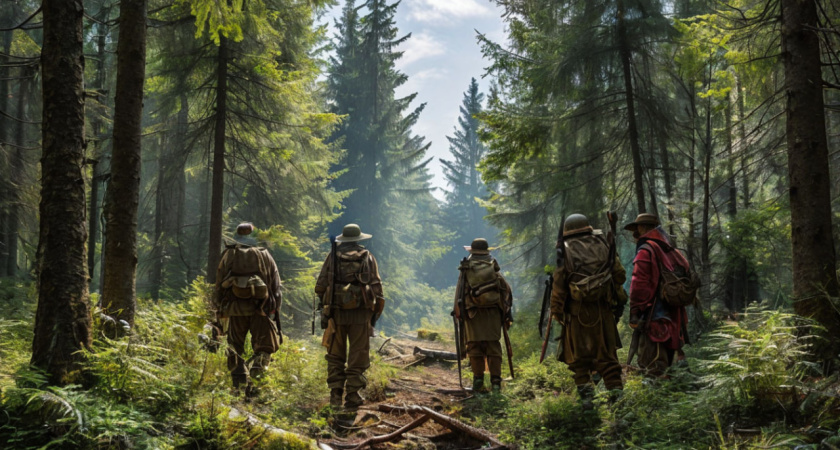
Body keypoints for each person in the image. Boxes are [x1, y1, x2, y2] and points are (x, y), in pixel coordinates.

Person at [550, 214, 627, 409]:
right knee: (609, 360)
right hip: (603, 313)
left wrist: (558, 314)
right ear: (587, 228)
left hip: (576, 316)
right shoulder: (604, 245)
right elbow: (619, 275)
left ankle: (587, 406)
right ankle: (619, 406)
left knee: (579, 362)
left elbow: (558, 288)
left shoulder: (563, 251)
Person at [315, 224, 385, 411]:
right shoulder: (367, 257)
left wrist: (326, 304)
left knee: (335, 354)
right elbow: (377, 288)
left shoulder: (333, 256)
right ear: (359, 238)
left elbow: (320, 285)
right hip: (360, 313)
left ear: (343, 238)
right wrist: (373, 313)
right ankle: (353, 396)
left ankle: (335, 395)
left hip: (336, 313)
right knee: (358, 354)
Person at [212, 223, 283, 396]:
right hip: (261, 309)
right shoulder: (265, 255)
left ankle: (239, 383)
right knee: (265, 346)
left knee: (235, 346)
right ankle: (257, 382)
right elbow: (276, 285)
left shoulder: (229, 254)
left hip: (235, 309)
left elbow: (219, 283)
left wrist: (219, 307)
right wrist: (274, 309)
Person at [625, 213, 690, 377]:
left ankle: (657, 399)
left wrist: (635, 311)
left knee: (652, 365)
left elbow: (638, 284)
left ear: (643, 228)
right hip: (674, 317)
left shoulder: (646, 251)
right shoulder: (670, 250)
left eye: (637, 228)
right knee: (667, 364)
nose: (635, 233)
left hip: (654, 317)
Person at [453, 238, 513, 392]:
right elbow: (506, 290)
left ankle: (478, 383)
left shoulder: (467, 268)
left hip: (473, 314)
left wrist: (458, 313)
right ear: (487, 251)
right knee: (493, 347)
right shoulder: (493, 266)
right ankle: (496, 383)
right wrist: (506, 314)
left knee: (474, 347)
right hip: (493, 314)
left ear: (472, 251)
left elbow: (459, 292)